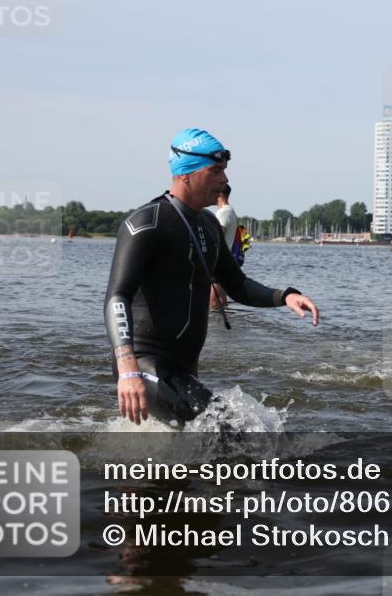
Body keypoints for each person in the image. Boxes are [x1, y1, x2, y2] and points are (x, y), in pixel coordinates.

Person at [104, 128, 320, 426]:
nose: (225, 180)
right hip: (144, 364)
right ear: (186, 174)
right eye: (216, 170)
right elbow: (117, 296)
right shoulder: (146, 223)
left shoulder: (208, 224)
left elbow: (238, 285)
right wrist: (127, 367)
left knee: (205, 445)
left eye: (225, 171)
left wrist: (285, 296)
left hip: (183, 369)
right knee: (226, 428)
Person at [209, 184, 239, 309]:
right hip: (225, 261)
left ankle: (217, 327)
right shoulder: (230, 211)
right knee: (222, 300)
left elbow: (216, 237)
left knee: (214, 303)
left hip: (219, 262)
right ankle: (223, 327)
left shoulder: (224, 212)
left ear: (220, 194)